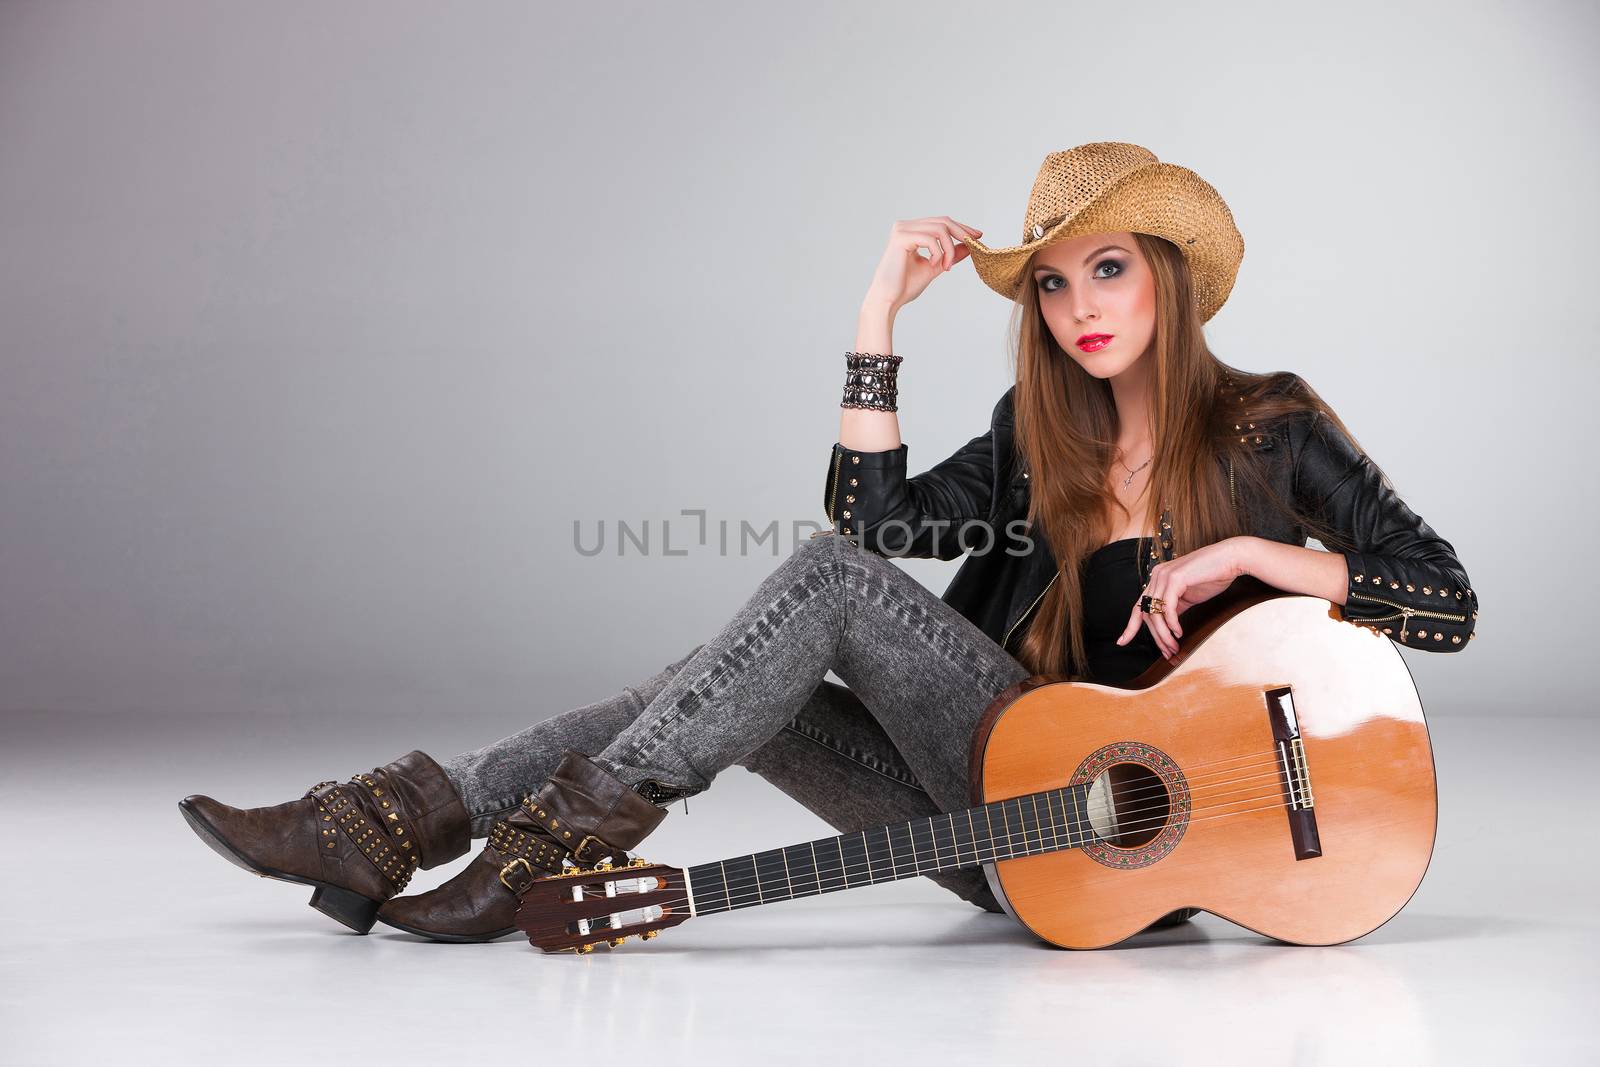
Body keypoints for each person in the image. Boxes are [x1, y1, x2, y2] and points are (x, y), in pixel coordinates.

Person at [178, 142, 1479, 944]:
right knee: (739, 670)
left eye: (1111, 270)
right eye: (1054, 281)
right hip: (988, 796)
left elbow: (1444, 604)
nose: (1080, 306)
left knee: (756, 635)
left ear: (1168, 277)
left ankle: (432, 824)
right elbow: (873, 536)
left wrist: (1255, 561)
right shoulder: (1041, 446)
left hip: (1128, 861)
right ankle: (437, 823)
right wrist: (878, 320)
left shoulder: (1273, 424)